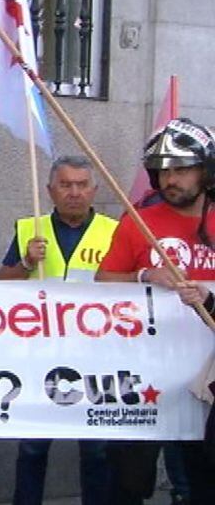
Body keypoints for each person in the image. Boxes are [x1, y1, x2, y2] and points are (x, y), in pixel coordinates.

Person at [95, 118, 215, 505]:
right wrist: (146, 274)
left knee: (204, 480)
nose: (170, 180)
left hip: (207, 379)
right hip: (146, 376)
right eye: (163, 171)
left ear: (206, 170)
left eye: (181, 169)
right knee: (128, 483)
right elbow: (104, 282)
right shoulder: (137, 223)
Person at [0, 155, 115, 505]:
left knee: (97, 450)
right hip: (39, 359)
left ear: (94, 190)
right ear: (50, 190)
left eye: (81, 185)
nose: (74, 192)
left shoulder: (114, 231)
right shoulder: (30, 229)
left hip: (97, 358)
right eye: (65, 185)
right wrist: (27, 263)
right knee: (32, 447)